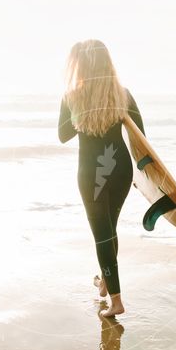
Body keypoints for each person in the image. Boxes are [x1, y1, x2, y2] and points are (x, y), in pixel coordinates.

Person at [58, 40, 144, 317]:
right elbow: (140, 136)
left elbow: (62, 135)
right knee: (110, 228)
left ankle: (116, 301)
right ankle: (106, 281)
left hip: (91, 172)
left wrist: (80, 114)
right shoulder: (123, 94)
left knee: (102, 235)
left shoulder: (72, 96)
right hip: (120, 169)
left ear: (80, 65)